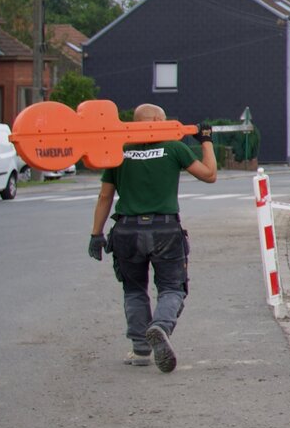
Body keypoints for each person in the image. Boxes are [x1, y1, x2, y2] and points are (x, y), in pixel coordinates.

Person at [87, 106, 216, 372]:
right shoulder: (174, 148)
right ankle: (160, 327)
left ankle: (140, 349)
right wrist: (206, 141)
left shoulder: (118, 151)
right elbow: (209, 175)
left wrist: (96, 234)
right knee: (172, 288)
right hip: (164, 230)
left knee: (134, 290)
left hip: (126, 231)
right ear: (157, 121)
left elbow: (105, 197)